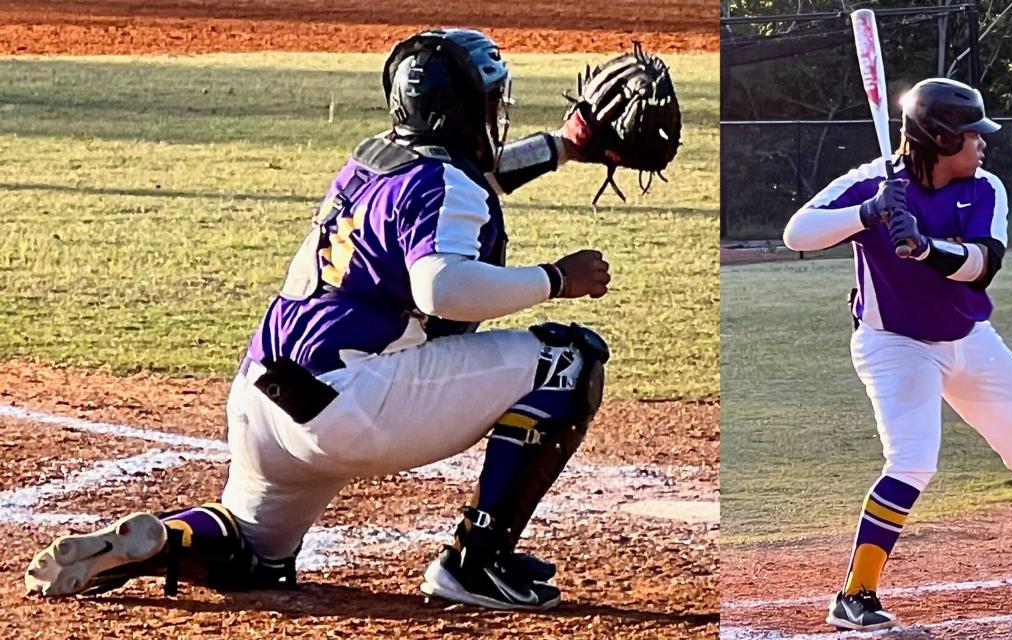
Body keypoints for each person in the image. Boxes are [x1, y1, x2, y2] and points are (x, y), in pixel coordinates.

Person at [25, 28, 620, 612]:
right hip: (351, 402)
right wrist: (557, 278)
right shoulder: (442, 183)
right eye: (489, 100)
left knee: (258, 555)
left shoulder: (375, 162)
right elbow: (442, 286)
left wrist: (565, 144)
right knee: (568, 361)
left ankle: (165, 540)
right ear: (461, 110)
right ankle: (476, 565)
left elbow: (470, 179)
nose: (496, 111)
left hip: (265, 398)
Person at [782, 78, 1012, 632]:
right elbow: (798, 231)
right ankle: (854, 595)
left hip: (966, 337)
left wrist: (925, 248)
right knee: (913, 459)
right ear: (939, 139)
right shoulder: (874, 182)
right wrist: (867, 213)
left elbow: (982, 265)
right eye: (972, 135)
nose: (983, 143)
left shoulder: (986, 187)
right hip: (894, 343)